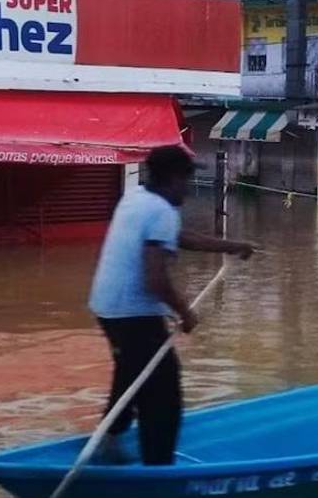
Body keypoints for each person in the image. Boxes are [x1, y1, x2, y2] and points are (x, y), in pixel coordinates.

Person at [88, 145, 255, 465]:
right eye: (188, 180)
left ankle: (108, 439)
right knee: (163, 393)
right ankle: (159, 466)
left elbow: (179, 236)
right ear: (174, 178)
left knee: (131, 372)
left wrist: (231, 246)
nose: (189, 189)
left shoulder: (136, 197)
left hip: (106, 307)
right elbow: (156, 279)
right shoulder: (161, 211)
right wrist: (186, 312)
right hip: (133, 313)